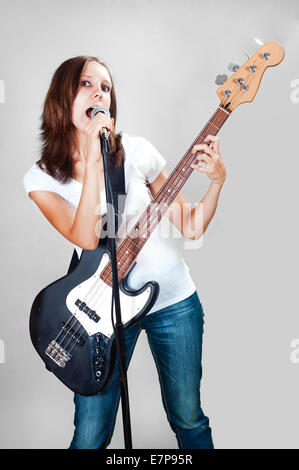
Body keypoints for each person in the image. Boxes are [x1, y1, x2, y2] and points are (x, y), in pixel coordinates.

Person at [23, 56, 226, 449]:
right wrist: (96, 163)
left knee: (189, 418)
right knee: (89, 436)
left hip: (173, 301)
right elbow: (84, 237)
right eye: (87, 83)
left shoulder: (137, 150)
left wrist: (217, 182)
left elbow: (193, 225)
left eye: (106, 88)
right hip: (101, 314)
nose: (100, 93)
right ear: (62, 96)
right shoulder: (42, 176)